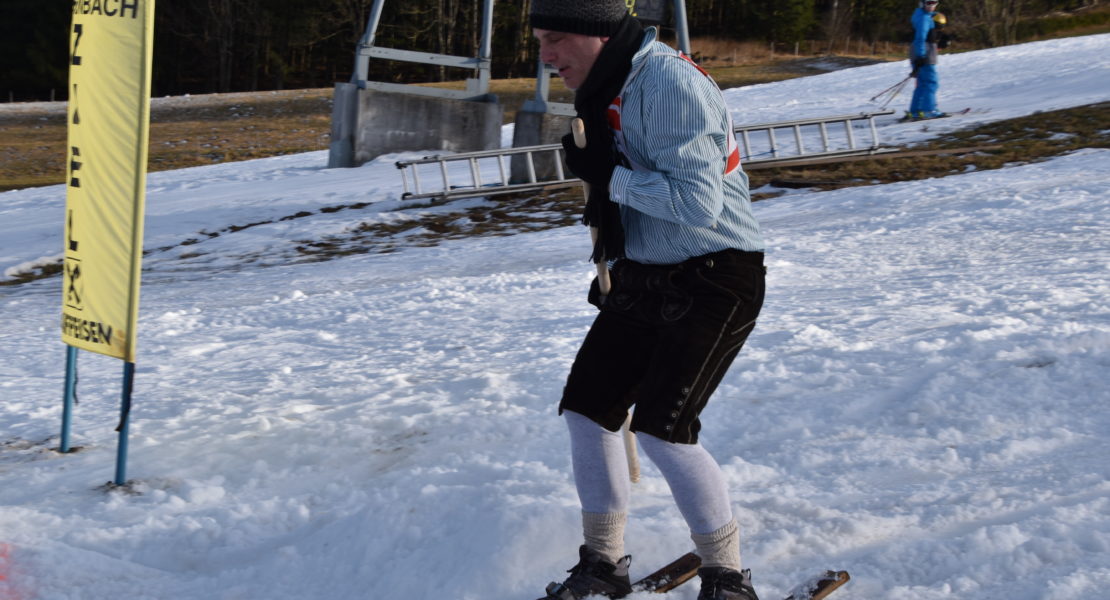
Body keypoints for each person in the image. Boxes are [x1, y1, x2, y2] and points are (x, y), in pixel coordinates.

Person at [529, 1, 766, 599]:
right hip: (646, 271)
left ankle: (727, 577)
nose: (545, 55)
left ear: (600, 34)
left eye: (556, 39)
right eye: (540, 39)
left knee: (664, 429)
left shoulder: (664, 83)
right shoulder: (612, 80)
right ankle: (603, 565)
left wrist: (606, 174)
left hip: (715, 274)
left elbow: (696, 206)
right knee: (588, 410)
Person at [907, 0, 948, 120]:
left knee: (922, 83)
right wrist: (921, 56)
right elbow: (920, 39)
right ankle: (930, 110)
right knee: (931, 83)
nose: (932, 6)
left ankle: (916, 111)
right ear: (922, 4)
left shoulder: (921, 16)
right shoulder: (924, 19)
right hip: (925, 54)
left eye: (934, 3)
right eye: (929, 3)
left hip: (920, 53)